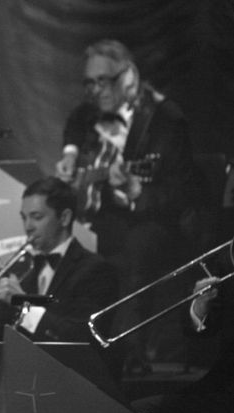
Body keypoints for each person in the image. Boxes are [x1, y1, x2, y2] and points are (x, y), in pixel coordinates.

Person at [54, 39, 204, 374]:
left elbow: (182, 194)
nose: (95, 90)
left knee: (134, 248)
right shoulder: (88, 112)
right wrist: (70, 155)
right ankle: (68, 351)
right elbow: (75, 124)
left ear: (129, 77)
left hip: (159, 221)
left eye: (103, 81)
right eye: (89, 83)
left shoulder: (166, 119)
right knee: (67, 240)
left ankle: (126, 359)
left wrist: (137, 191)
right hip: (108, 217)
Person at [0, 176, 118, 343]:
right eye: (24, 218)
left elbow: (82, 336)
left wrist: (23, 305)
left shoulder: (97, 269)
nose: (28, 226)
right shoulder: (24, 272)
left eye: (37, 217)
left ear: (64, 218)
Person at [132, 274, 234, 413]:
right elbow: (204, 332)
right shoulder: (225, 265)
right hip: (217, 385)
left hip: (225, 400)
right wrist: (200, 306)